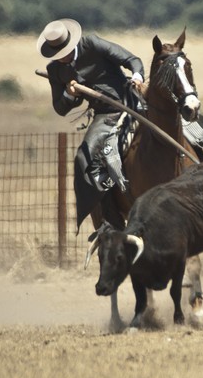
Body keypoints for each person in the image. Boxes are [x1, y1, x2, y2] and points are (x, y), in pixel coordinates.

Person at [37, 18, 145, 229]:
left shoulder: (93, 44)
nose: (63, 58)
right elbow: (60, 108)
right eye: (58, 55)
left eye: (65, 52)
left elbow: (132, 60)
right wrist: (69, 94)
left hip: (132, 102)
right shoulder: (55, 71)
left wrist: (137, 76)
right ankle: (108, 221)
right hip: (105, 115)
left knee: (180, 124)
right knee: (83, 159)